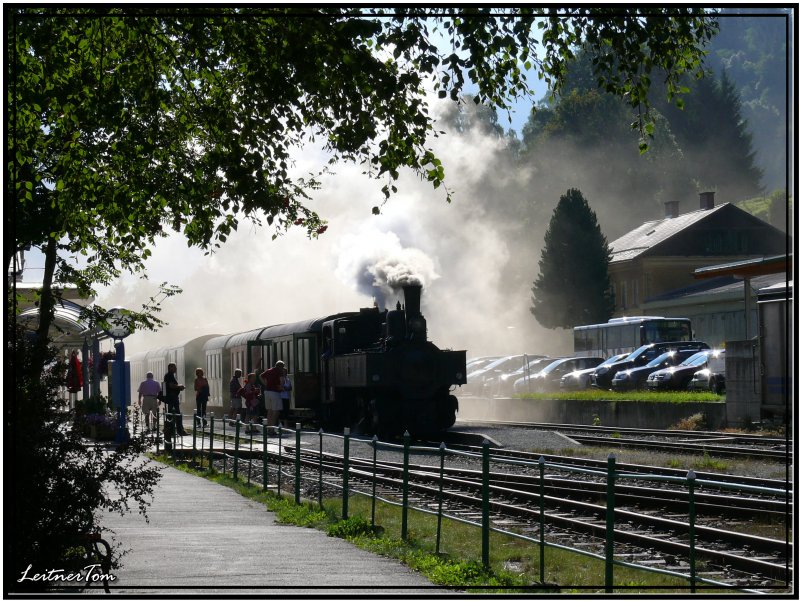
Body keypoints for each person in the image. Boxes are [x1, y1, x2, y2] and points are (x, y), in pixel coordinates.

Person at [163, 363, 188, 436]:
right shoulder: (169, 375)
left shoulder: (169, 375)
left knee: (172, 414)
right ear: (170, 368)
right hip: (172, 398)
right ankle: (179, 431)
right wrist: (179, 386)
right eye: (174, 367)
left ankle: (172, 430)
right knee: (177, 414)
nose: (176, 369)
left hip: (172, 397)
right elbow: (171, 385)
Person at [259, 360, 284, 428]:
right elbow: (282, 381)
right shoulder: (279, 371)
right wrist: (281, 387)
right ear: (281, 366)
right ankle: (272, 428)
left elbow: (260, 376)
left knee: (269, 411)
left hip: (267, 392)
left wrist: (265, 383)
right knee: (276, 411)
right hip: (275, 392)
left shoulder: (269, 370)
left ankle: (268, 427)